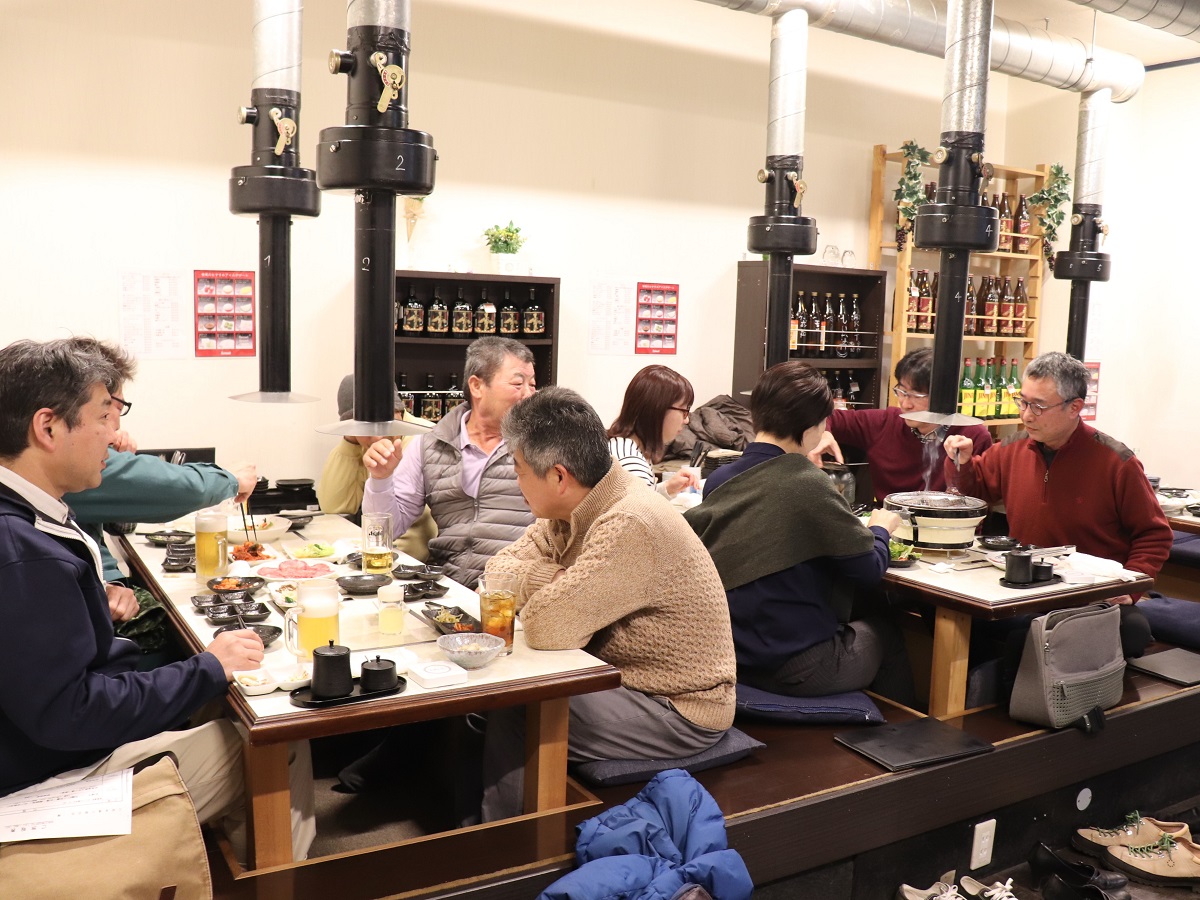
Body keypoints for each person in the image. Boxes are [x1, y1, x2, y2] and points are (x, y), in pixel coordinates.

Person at [0, 337, 314, 860]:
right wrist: (208, 667)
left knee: (226, 697)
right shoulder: (22, 550)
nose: (115, 434)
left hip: (42, 741)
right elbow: (69, 713)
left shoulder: (30, 517)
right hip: (47, 776)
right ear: (48, 427)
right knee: (276, 736)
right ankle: (273, 880)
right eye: (104, 415)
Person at [480, 387, 736, 821]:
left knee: (515, 705)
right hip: (619, 681)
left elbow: (546, 626)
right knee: (484, 699)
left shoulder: (630, 520)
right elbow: (496, 571)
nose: (516, 482)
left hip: (678, 706)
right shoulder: (575, 505)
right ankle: (471, 822)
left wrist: (542, 588)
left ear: (558, 476)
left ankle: (508, 847)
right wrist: (551, 578)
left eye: (519, 471)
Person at [686, 361, 915, 703]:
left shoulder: (719, 479)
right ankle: (900, 732)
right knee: (888, 633)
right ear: (810, 429)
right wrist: (880, 529)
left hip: (732, 657)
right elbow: (868, 569)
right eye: (824, 424)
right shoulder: (808, 484)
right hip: (796, 668)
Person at [944, 351, 1171, 655]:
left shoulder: (1116, 462)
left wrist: (1130, 588)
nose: (1026, 415)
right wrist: (961, 462)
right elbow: (973, 495)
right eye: (1022, 402)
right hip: (1023, 587)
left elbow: (1154, 534)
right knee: (947, 613)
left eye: (1038, 406)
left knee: (1131, 631)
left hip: (1088, 595)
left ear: (1074, 407)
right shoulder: (1012, 448)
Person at [362, 337, 537, 587]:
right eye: (518, 384)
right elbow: (384, 531)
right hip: (449, 586)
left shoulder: (539, 445)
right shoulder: (429, 444)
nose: (529, 394)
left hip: (513, 586)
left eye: (532, 384)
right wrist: (380, 479)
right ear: (476, 386)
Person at [808, 348, 993, 503]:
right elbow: (826, 415)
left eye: (916, 396)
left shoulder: (971, 436)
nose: (905, 403)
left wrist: (963, 464)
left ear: (944, 397)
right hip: (892, 526)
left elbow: (980, 501)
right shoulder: (884, 422)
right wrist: (823, 432)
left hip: (947, 529)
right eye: (902, 391)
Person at [316, 373, 437, 560]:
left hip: (417, 562)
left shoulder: (426, 439)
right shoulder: (359, 444)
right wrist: (350, 442)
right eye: (365, 428)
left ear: (400, 412)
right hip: (372, 556)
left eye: (384, 423)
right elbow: (333, 507)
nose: (378, 436)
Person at [606, 364, 701, 498]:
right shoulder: (632, 465)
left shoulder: (624, 446)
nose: (686, 420)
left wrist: (667, 488)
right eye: (684, 411)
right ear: (658, 410)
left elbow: (643, 501)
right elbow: (643, 510)